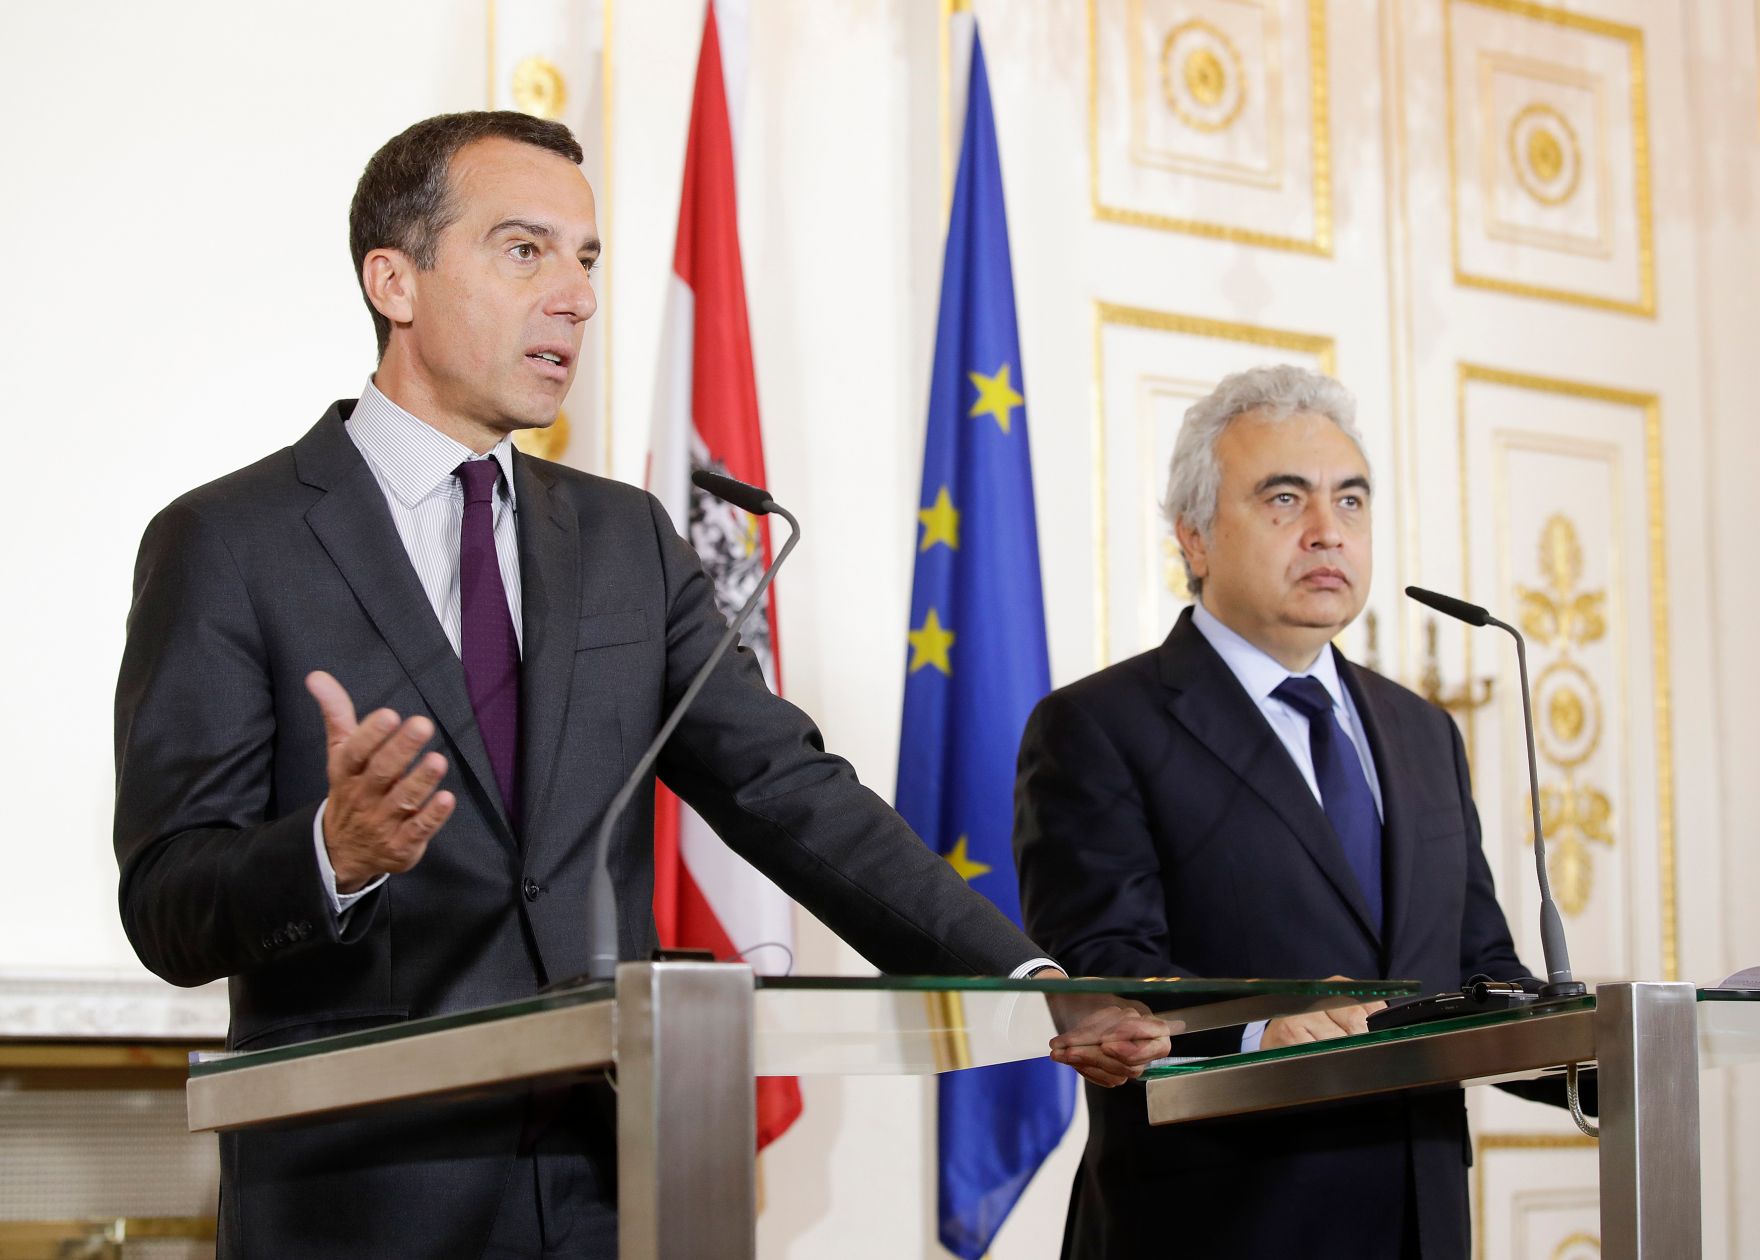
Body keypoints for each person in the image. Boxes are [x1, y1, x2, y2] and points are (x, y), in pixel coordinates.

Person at [113, 111, 1165, 1259]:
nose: (575, 296)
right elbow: (167, 902)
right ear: (394, 281)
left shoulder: (625, 541)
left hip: (608, 1191)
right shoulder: (231, 542)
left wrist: (1027, 978)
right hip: (363, 1199)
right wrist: (331, 853)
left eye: (586, 258)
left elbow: (787, 792)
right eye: (525, 250)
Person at [1013, 365, 1531, 1260]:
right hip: (1215, 1222)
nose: (1329, 531)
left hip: (1420, 1220)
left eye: (1351, 500)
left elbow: (1479, 970)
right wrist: (1260, 1034)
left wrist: (1623, 1041)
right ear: (1195, 538)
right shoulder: (1098, 726)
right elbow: (1105, 977)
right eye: (1285, 499)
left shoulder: (1423, 731)